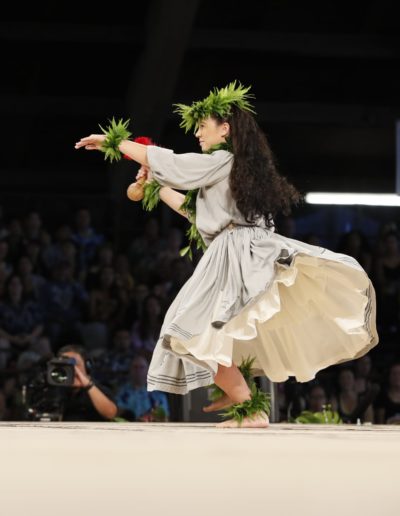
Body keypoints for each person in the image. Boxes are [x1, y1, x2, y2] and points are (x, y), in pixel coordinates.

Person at [75, 81, 379, 428]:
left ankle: (249, 406)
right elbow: (195, 214)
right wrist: (157, 188)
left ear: (226, 128)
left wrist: (115, 143)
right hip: (234, 248)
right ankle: (242, 396)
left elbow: (172, 162)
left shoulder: (222, 159)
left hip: (235, 253)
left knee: (188, 330)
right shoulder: (231, 171)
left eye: (203, 127)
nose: (198, 135)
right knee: (206, 331)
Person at [56, 344, 118, 421]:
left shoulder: (98, 389)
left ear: (87, 366)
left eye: (75, 364)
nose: (70, 369)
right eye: (65, 365)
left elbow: (111, 414)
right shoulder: (57, 390)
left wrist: (87, 384)